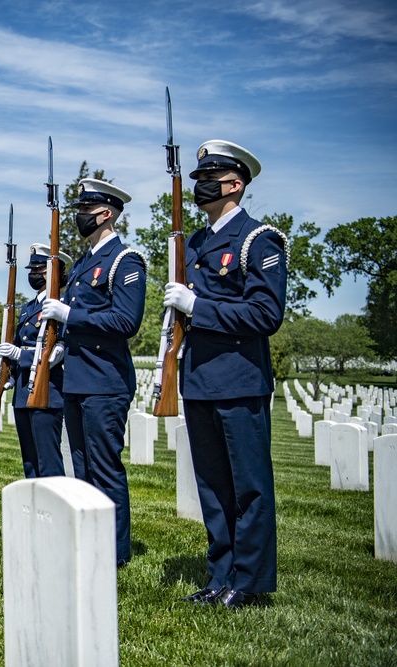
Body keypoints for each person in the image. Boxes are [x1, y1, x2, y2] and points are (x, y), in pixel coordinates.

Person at [163, 140, 287, 608]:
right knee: (213, 486)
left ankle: (250, 583)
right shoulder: (195, 242)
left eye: (208, 179)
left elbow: (265, 314)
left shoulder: (259, 239)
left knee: (249, 486)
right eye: (196, 179)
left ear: (235, 184)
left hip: (238, 378)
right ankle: (221, 575)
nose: (200, 186)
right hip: (199, 379)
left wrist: (199, 306)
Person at [41, 178, 146, 567]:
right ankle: (89, 540)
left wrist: (70, 315)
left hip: (106, 380)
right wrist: (64, 344)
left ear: (106, 214)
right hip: (77, 377)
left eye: (85, 211)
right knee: (82, 467)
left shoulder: (125, 259)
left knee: (105, 467)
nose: (79, 217)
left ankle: (115, 551)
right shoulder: (84, 263)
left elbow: (125, 320)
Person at [0, 243, 71, 478]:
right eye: (33, 269)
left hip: (47, 390)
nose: (34, 274)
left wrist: (22, 356)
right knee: (29, 460)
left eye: (40, 270)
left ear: (55, 273)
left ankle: (55, 510)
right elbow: (20, 340)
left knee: (47, 459)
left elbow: (60, 349)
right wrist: (11, 373)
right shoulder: (29, 307)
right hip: (22, 390)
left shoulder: (63, 305)